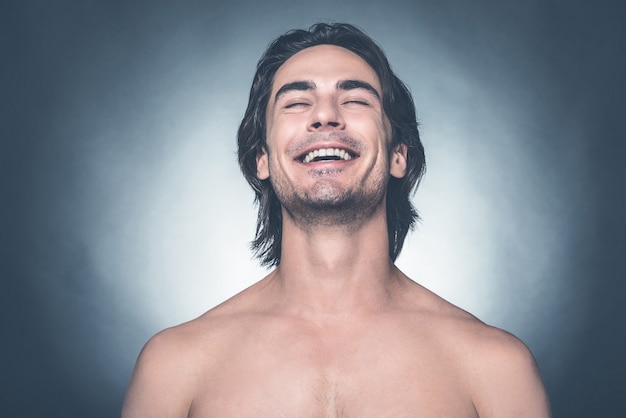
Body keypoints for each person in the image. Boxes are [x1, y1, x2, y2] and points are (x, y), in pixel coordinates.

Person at [122, 22, 551, 417]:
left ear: (398, 154)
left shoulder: (495, 368)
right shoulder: (174, 367)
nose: (325, 115)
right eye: (297, 101)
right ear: (262, 159)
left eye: (355, 99)